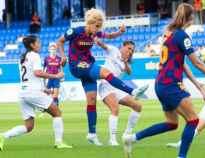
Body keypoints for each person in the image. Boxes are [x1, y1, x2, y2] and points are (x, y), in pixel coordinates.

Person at [122, 3, 205, 158]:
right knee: (193, 121)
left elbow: (182, 63)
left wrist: (198, 85)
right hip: (171, 84)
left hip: (161, 84)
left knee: (172, 123)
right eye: (192, 16)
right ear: (190, 17)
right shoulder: (182, 36)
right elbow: (197, 62)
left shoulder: (169, 34)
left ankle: (132, 138)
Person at [57, 8, 148, 146]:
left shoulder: (95, 33)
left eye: (99, 27)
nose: (97, 30)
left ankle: (92, 134)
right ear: (90, 22)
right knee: (105, 73)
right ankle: (133, 91)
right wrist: (63, 56)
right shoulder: (76, 31)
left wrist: (120, 32)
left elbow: (109, 36)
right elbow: (60, 41)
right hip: (77, 65)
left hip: (88, 64)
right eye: (96, 26)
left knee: (91, 100)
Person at [0, 35, 72, 151]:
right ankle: (59, 142)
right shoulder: (35, 56)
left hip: (23, 93)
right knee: (57, 113)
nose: (40, 45)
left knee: (29, 126)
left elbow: (30, 76)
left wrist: (44, 89)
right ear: (32, 45)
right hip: (32, 93)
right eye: (38, 43)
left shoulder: (23, 57)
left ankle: (2, 136)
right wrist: (56, 75)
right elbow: (37, 73)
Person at [97, 40, 143, 146]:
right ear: (123, 46)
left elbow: (129, 72)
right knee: (115, 108)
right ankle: (112, 139)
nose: (131, 51)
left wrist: (126, 62)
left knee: (138, 106)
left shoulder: (125, 61)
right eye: (129, 48)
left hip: (117, 88)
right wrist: (97, 40)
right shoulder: (113, 50)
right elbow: (103, 45)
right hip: (106, 85)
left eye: (132, 50)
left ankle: (127, 133)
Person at [44, 42, 62, 107]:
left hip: (56, 78)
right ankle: (45, 108)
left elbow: (60, 69)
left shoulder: (59, 58)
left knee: (55, 95)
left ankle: (56, 109)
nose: (53, 50)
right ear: (49, 50)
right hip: (48, 78)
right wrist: (43, 78)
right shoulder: (46, 58)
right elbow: (44, 69)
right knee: (46, 94)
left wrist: (62, 77)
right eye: (51, 49)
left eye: (54, 49)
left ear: (56, 50)